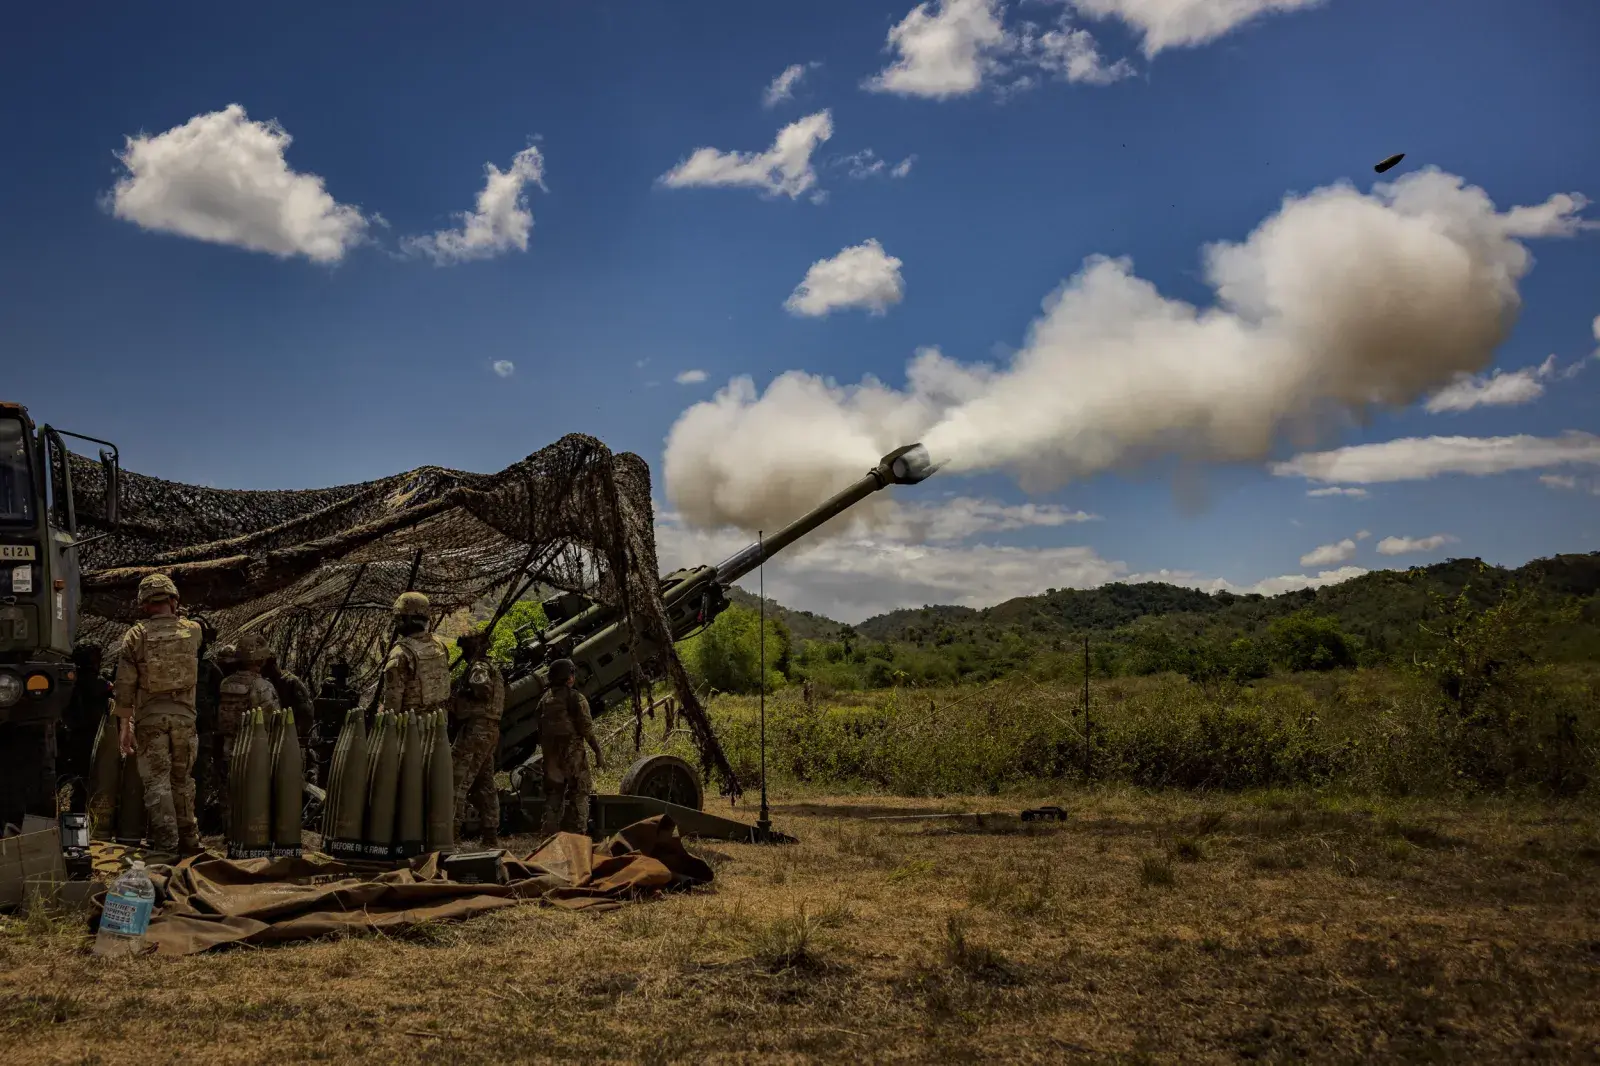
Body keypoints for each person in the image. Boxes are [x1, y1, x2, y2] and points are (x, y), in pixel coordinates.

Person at [111, 573, 205, 854]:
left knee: (157, 782)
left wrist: (124, 727)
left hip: (150, 721)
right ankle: (190, 841)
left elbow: (124, 686)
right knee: (182, 780)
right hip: (185, 720)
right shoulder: (193, 630)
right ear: (174, 599)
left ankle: (166, 845)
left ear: (143, 604)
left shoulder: (135, 636)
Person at [215, 633, 279, 833]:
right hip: (253, 750)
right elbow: (273, 721)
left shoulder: (225, 683)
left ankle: (229, 834)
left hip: (227, 747)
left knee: (228, 793)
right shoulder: (263, 687)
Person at [536, 658, 604, 838]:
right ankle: (577, 837)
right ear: (569, 677)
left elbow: (540, 729)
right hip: (573, 756)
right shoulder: (576, 698)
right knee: (580, 793)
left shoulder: (544, 700)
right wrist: (598, 752)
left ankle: (548, 837)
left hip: (551, 758)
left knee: (553, 797)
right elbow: (586, 730)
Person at [449, 630, 505, 847]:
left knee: (457, 779)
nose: (463, 654)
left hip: (476, 729)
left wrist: (463, 694)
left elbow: (482, 687)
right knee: (485, 783)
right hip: (490, 731)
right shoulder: (494, 667)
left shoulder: (479, 667)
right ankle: (490, 835)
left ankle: (450, 834)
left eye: (465, 649)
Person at [380, 592, 450, 716]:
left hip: (411, 724)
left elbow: (392, 704)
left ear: (406, 620)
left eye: (399, 618)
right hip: (439, 721)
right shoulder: (439, 645)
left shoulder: (401, 653)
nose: (396, 623)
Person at [191, 620, 225, 831]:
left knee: (197, 779)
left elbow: (220, 700)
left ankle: (195, 825)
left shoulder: (210, 670)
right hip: (184, 730)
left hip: (200, 732)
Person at [262, 652, 314, 757]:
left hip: (294, 730)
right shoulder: (268, 683)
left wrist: (299, 735)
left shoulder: (291, 682)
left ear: (273, 666)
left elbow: (306, 711)